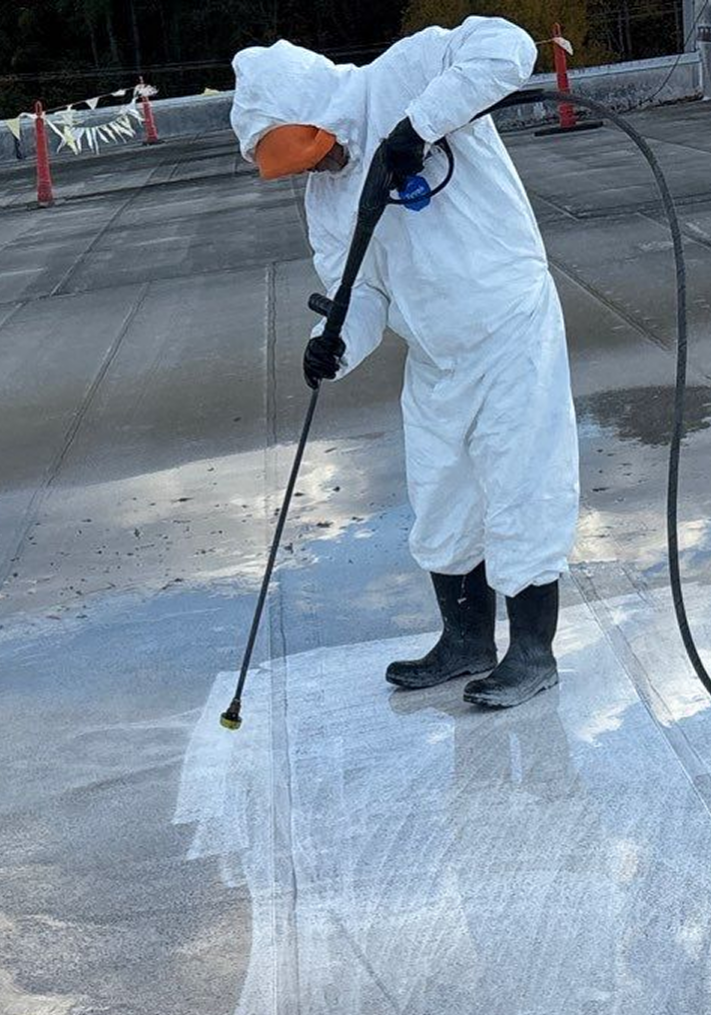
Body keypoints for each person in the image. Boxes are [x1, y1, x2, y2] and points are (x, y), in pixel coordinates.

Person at [232, 20, 580, 710]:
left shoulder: (409, 70)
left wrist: (416, 127)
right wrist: (333, 343)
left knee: (521, 485)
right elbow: (359, 289)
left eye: (313, 154)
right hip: (435, 356)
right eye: (299, 167)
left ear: (318, 113)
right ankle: (464, 642)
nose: (317, 172)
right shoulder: (326, 199)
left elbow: (507, 48)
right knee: (441, 498)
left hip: (509, 328)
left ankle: (532, 654)